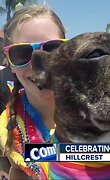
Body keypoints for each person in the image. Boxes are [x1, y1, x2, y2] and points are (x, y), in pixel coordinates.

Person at [0, 5, 66, 179]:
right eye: (22, 53)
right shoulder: (6, 127)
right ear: (10, 64)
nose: (38, 64)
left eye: (52, 49)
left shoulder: (103, 110)